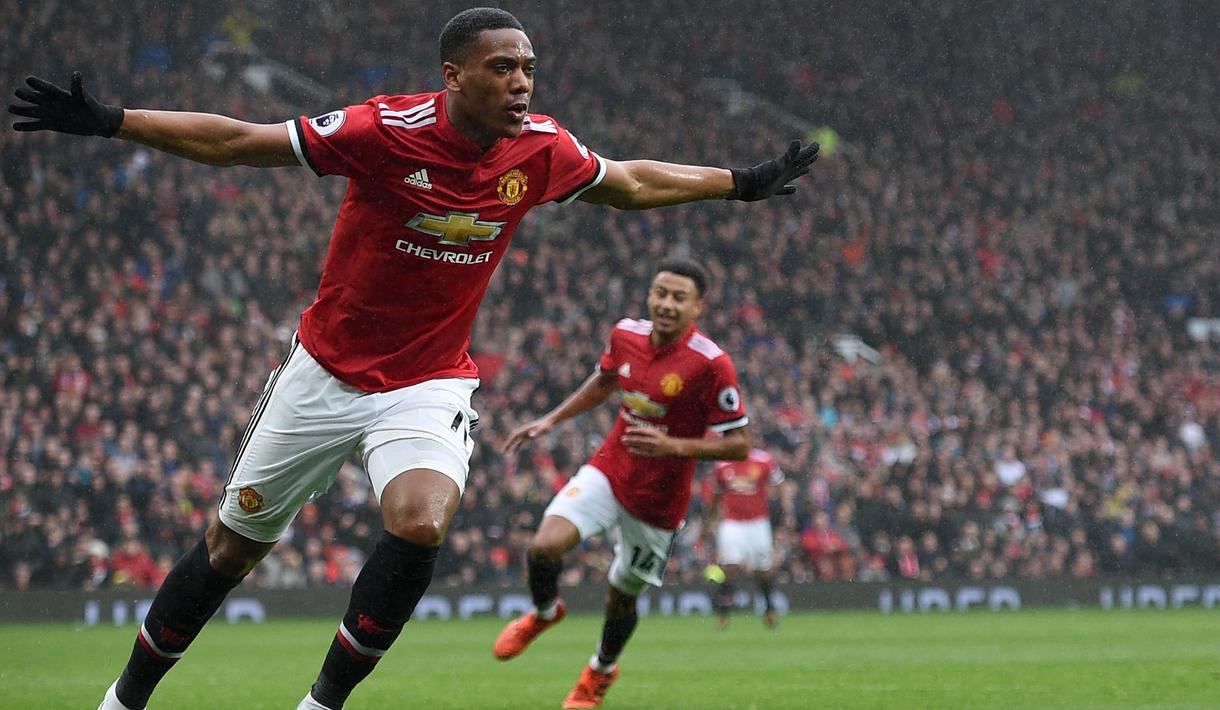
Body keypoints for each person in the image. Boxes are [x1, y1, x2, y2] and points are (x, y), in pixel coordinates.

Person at [9, 8, 815, 710]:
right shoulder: (381, 131)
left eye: (530, 68)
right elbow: (237, 141)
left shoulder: (538, 150)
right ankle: (124, 700)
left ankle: (321, 704)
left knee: (422, 521)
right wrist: (113, 119)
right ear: (454, 75)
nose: (523, 83)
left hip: (428, 382)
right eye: (503, 68)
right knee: (230, 551)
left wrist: (738, 183)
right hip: (321, 374)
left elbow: (630, 182)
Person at [493, 257, 751, 708]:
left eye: (679, 298)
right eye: (661, 293)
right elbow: (606, 381)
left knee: (621, 596)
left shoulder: (712, 365)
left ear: (698, 307)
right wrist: (550, 420)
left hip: (659, 501)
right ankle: (545, 612)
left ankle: (601, 670)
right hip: (610, 469)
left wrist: (673, 447)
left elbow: (740, 445)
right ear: (650, 294)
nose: (667, 304)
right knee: (543, 547)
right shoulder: (626, 334)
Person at [705, 444, 784, 629]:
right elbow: (716, 494)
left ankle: (769, 610)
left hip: (758, 522)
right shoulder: (722, 464)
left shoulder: (763, 460)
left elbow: (779, 483)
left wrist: (782, 510)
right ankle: (723, 615)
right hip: (732, 522)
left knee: (763, 570)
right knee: (730, 567)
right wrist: (712, 519)